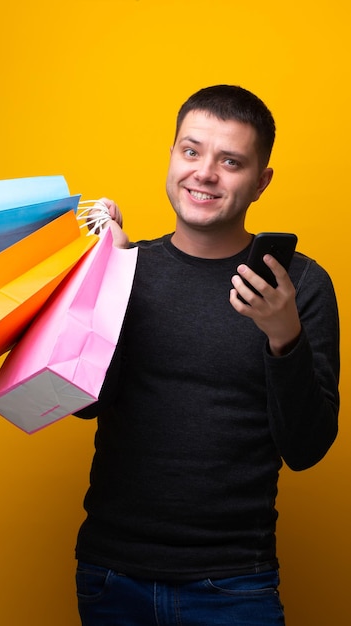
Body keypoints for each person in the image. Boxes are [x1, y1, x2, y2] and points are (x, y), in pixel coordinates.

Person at [74, 85, 340, 625]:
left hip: (236, 582)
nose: (205, 173)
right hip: (111, 573)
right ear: (172, 155)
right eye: (191, 151)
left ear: (261, 182)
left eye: (231, 161)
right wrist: (109, 277)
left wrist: (283, 336)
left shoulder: (300, 286)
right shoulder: (125, 266)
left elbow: (307, 449)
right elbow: (83, 404)